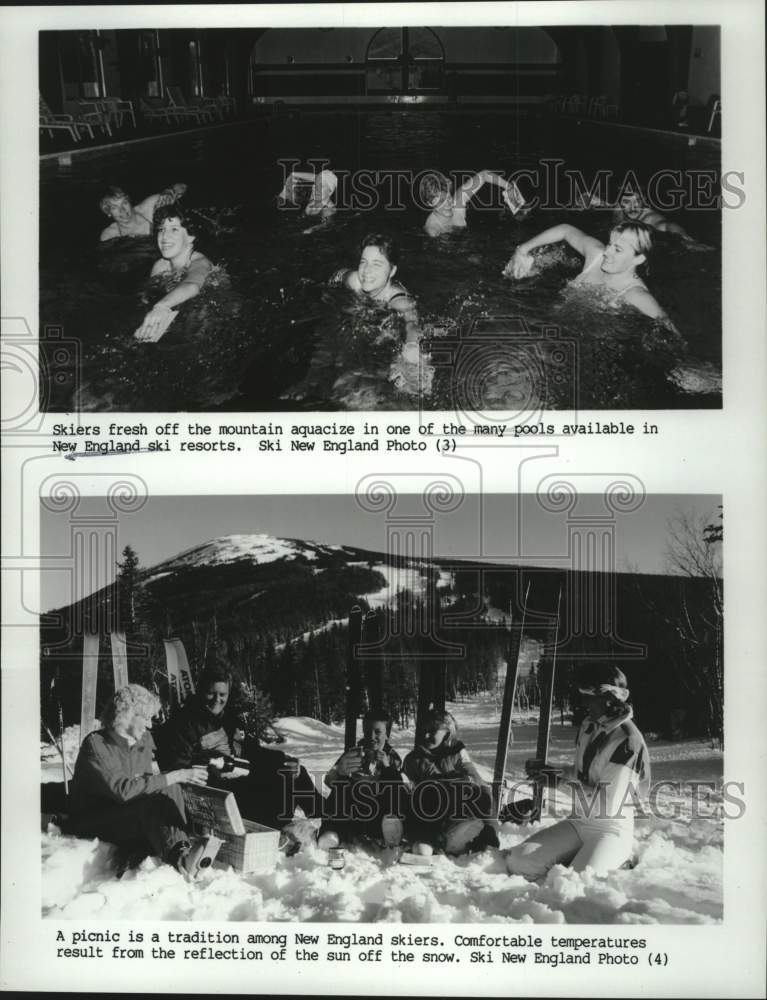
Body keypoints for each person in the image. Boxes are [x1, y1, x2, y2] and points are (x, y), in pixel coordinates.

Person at [505, 665, 650, 880]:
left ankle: (619, 858)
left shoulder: (628, 741)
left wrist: (557, 783)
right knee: (518, 861)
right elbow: (581, 773)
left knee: (577, 881)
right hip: (579, 821)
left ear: (610, 699)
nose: (583, 703)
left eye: (590, 697)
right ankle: (580, 857)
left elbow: (608, 804)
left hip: (611, 827)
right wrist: (552, 771)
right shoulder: (590, 725)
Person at [155, 667, 325, 834]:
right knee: (281, 783)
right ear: (200, 691)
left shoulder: (228, 719)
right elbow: (176, 768)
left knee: (292, 770)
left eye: (222, 695)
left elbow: (253, 751)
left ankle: (325, 820)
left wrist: (284, 758)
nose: (217, 699)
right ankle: (280, 829)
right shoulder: (185, 723)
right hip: (218, 795)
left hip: (241, 781)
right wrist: (209, 765)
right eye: (211, 693)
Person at [67, 684, 209, 876]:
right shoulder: (97, 744)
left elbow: (147, 784)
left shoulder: (142, 742)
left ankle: (182, 847)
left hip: (124, 816)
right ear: (127, 715)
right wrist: (175, 775)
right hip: (93, 820)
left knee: (171, 789)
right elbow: (123, 791)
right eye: (147, 718)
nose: (150, 725)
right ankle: (180, 858)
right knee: (156, 799)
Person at [504, 220, 675, 325]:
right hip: (547, 319)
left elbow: (669, 330)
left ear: (639, 259)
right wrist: (522, 250)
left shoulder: (636, 295)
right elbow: (565, 229)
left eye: (618, 249)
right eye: (609, 244)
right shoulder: (596, 256)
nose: (607, 252)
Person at [403, 709, 498, 856]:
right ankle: (427, 842)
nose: (426, 735)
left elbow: (476, 779)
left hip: (454, 811)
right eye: (424, 730)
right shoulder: (414, 758)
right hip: (428, 815)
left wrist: (466, 781)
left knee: (483, 793)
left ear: (447, 734)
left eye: (432, 731)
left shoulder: (456, 752)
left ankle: (484, 838)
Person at [317, 711, 408, 850]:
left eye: (377, 732)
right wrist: (340, 771)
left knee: (393, 784)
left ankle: (390, 830)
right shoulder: (353, 752)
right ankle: (332, 833)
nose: (371, 736)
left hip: (379, 810)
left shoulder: (393, 757)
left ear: (387, 735)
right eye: (367, 731)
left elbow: (400, 790)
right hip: (355, 809)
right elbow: (329, 781)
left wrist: (387, 768)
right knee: (341, 785)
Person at [134, 204, 213, 343]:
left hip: (208, 309)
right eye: (161, 229)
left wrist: (161, 306)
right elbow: (146, 298)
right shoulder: (160, 266)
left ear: (191, 237)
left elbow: (192, 285)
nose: (164, 236)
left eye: (174, 229)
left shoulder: (200, 262)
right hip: (175, 306)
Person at [330, 233, 420, 346]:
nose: (367, 270)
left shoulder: (400, 301)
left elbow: (412, 325)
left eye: (376, 264)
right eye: (363, 262)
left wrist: (411, 345)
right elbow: (337, 276)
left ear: (392, 271)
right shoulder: (355, 281)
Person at [421, 170, 526, 237]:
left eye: (448, 197)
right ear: (430, 204)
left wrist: (508, 187)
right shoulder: (433, 230)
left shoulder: (458, 201)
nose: (448, 204)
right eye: (440, 202)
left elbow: (484, 175)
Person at [99, 183, 187, 242]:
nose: (122, 210)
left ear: (129, 202)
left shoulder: (149, 208)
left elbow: (182, 186)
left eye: (124, 203)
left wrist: (169, 193)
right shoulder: (110, 235)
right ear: (108, 212)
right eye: (115, 207)